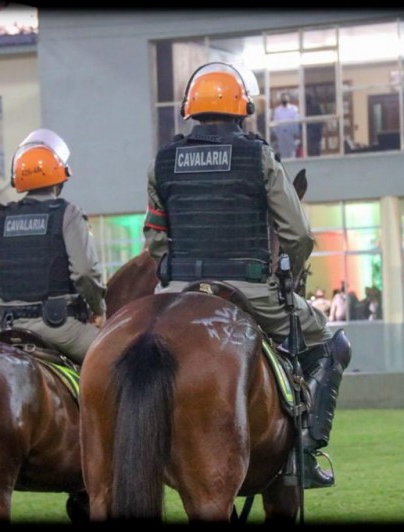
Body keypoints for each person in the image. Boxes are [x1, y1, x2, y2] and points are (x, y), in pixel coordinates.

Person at [143, 62, 351, 489]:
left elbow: (155, 241)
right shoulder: (259, 156)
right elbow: (297, 234)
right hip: (249, 289)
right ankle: (305, 453)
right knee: (332, 342)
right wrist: (287, 272)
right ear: (243, 110)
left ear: (191, 110)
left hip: (176, 292)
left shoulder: (162, 163)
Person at [0, 128, 106, 365]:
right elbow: (85, 272)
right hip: (59, 328)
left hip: (6, 329)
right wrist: (98, 308)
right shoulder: (68, 214)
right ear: (60, 179)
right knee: (116, 363)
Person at [272, 92, 300, 158]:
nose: (284, 99)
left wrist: (295, 133)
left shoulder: (294, 109)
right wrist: (278, 134)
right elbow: (275, 123)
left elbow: (296, 122)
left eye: (286, 97)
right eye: (283, 98)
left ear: (288, 98)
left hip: (291, 134)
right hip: (281, 135)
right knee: (283, 154)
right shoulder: (277, 110)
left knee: (292, 154)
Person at [305, 92, 323, 157]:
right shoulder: (307, 107)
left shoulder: (313, 106)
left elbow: (320, 119)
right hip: (312, 132)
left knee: (314, 148)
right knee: (313, 149)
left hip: (313, 132)